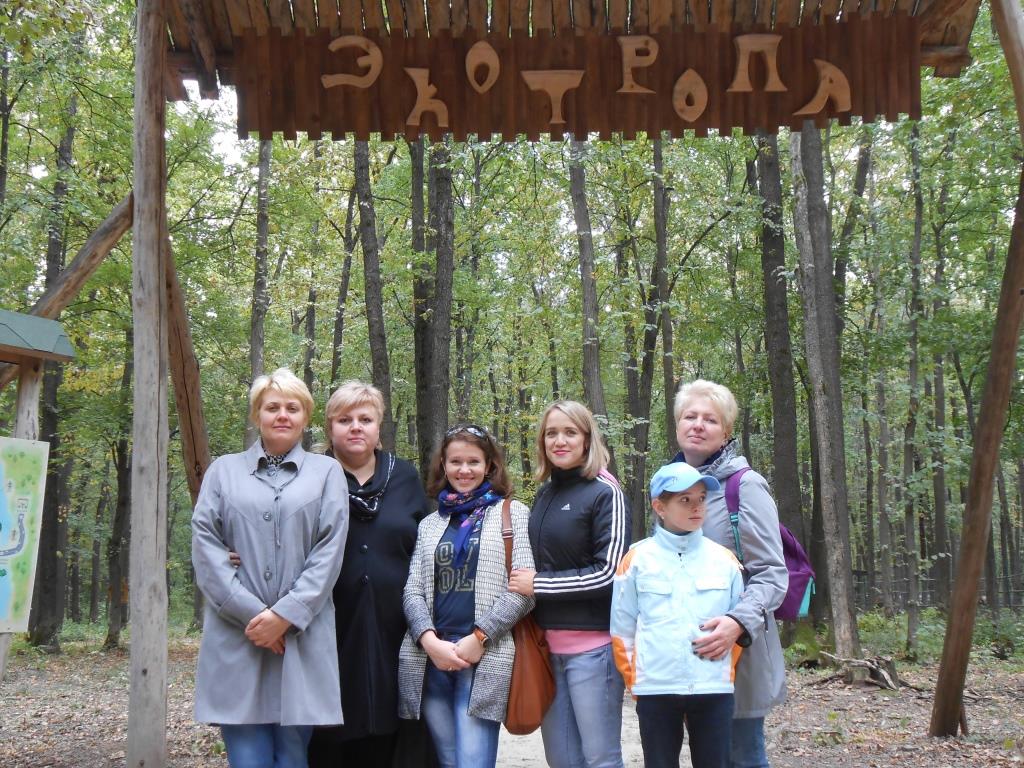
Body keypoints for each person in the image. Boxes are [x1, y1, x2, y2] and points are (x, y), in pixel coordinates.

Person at [192, 368, 349, 768]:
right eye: (272, 407)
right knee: (248, 758)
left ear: (305, 417)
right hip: (237, 635)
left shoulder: (327, 472)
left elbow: (329, 550)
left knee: (293, 755)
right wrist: (254, 615)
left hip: (301, 636)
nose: (282, 415)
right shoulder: (223, 471)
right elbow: (205, 546)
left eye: (292, 408)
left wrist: (285, 616)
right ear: (256, 414)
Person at [307, 381, 432, 767]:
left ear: (379, 427)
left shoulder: (405, 477)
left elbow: (430, 544)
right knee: (331, 731)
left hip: (396, 625)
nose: (356, 427)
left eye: (365, 419)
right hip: (328, 626)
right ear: (330, 427)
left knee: (393, 727)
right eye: (345, 420)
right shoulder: (311, 477)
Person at [398, 424, 535, 768]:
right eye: (455, 461)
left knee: (472, 762)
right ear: (443, 465)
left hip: (483, 656)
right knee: (446, 761)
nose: (464, 470)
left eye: (473, 461)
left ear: (489, 465)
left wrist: (480, 637)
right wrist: (429, 640)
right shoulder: (430, 523)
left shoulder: (512, 514)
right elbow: (413, 589)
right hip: (432, 659)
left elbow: (524, 591)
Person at [507, 400, 631, 768]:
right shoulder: (545, 494)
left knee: (600, 759)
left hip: (594, 650)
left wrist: (539, 584)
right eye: (551, 433)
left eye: (570, 432)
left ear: (587, 439)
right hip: (546, 650)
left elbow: (609, 573)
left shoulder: (605, 492)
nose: (559, 441)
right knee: (561, 760)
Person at [671, 379, 787, 768]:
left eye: (710, 419)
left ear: (726, 432)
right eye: (690, 416)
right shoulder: (669, 487)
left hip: (738, 651)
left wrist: (737, 623)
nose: (697, 425)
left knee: (742, 755)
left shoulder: (744, 486)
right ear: (677, 424)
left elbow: (772, 573)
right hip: (686, 652)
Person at [611, 462, 743, 768]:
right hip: (655, 688)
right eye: (685, 500)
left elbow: (738, 627)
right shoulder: (636, 560)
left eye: (701, 498)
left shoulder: (724, 560)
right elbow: (622, 628)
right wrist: (636, 681)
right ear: (660, 507)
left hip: (713, 688)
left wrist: (724, 672)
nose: (697, 507)